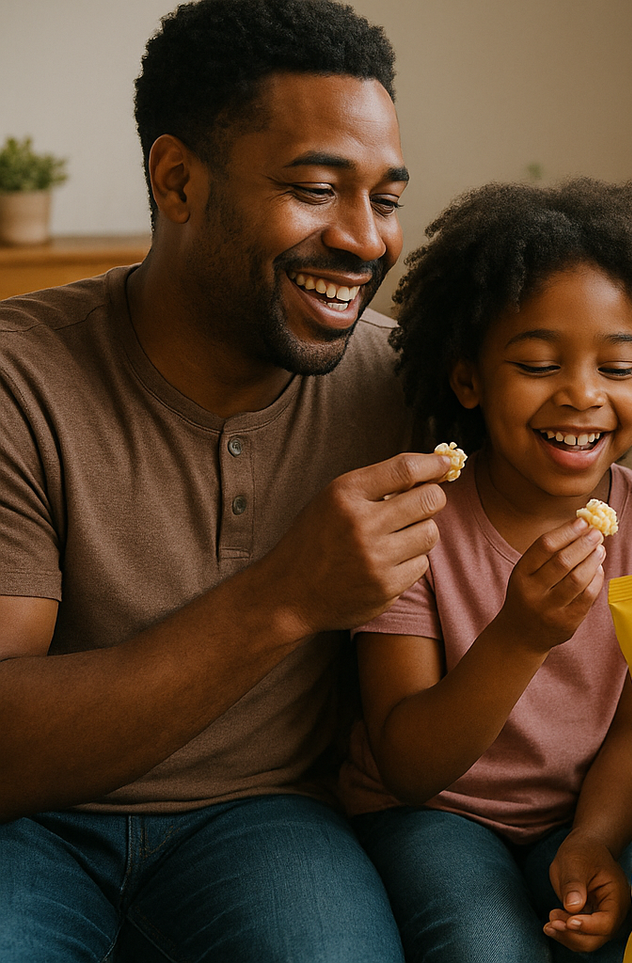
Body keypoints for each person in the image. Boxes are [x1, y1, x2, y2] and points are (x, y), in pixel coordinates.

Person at [0, 1, 455, 959]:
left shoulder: (407, 383)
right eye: (315, 189)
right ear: (177, 179)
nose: (365, 240)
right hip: (29, 826)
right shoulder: (21, 381)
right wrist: (288, 595)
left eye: (384, 199)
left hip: (268, 816)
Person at [338, 178, 632, 962]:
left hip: (582, 810)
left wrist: (593, 838)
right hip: (430, 812)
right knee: (485, 945)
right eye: (539, 363)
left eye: (618, 367)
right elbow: (407, 764)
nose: (582, 393)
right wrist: (520, 634)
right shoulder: (416, 522)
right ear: (469, 378)